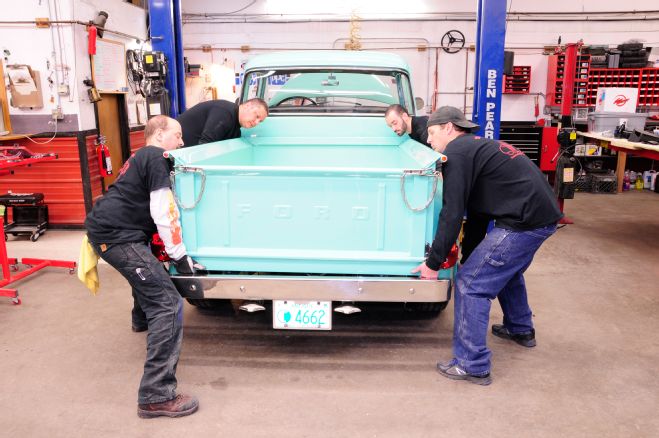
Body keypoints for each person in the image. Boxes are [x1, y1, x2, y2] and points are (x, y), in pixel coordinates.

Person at [412, 106, 563, 386]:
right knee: (503, 270)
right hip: (539, 216)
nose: (429, 140)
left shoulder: (456, 153)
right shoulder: (476, 148)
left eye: (432, 133)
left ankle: (472, 364)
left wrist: (434, 262)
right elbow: (478, 211)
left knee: (471, 284)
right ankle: (520, 329)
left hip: (524, 221)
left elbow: (453, 211)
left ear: (448, 128)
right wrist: (469, 254)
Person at [85, 115, 204, 418]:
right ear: (159, 134)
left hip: (108, 228)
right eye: (177, 136)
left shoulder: (139, 155)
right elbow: (163, 211)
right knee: (167, 302)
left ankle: (141, 319)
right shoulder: (156, 157)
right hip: (118, 237)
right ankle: (155, 396)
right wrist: (180, 256)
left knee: (148, 272)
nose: (181, 142)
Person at [176, 98, 268, 147]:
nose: (256, 122)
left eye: (260, 121)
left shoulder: (236, 130)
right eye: (257, 116)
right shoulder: (224, 113)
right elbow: (205, 146)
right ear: (248, 105)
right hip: (176, 151)